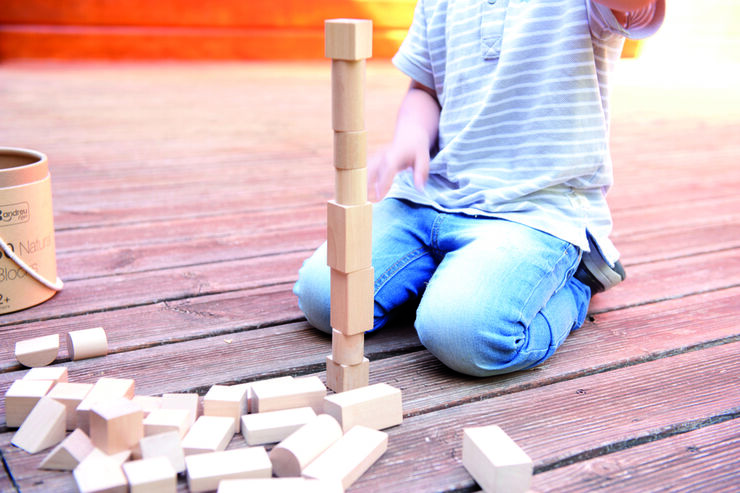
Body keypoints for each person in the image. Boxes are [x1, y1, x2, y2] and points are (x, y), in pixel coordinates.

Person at [294, 0, 665, 377]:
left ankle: (575, 286)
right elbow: (425, 87)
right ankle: (455, 282)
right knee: (328, 299)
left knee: (464, 336)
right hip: (425, 198)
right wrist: (412, 135)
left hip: (532, 213)